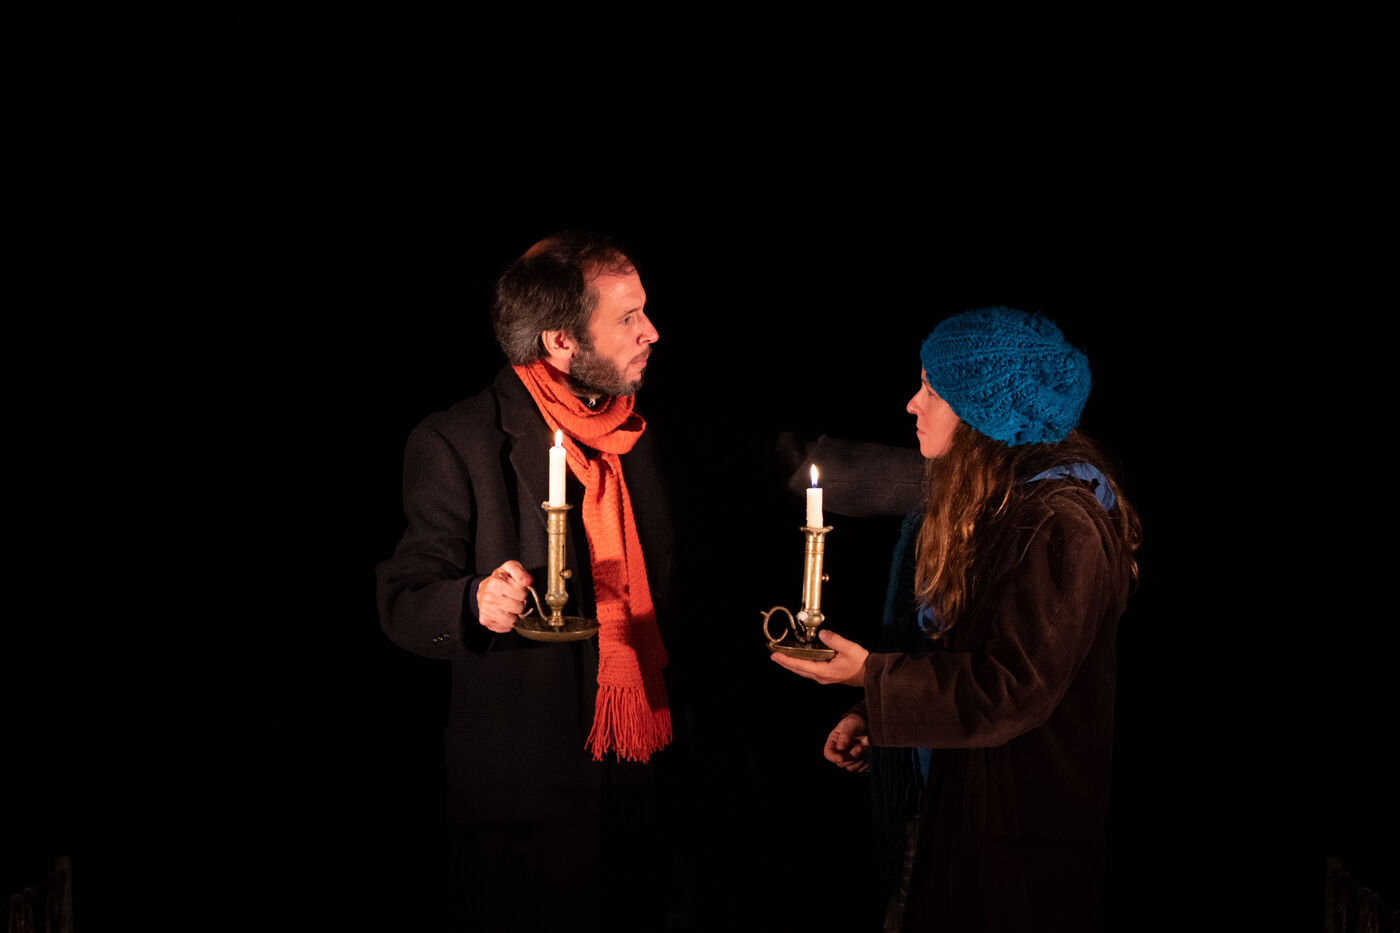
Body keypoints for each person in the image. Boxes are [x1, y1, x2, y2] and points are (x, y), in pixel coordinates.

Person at [771, 305, 1142, 932]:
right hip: (951, 810)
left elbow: (1011, 689)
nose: (912, 404)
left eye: (932, 390)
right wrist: (875, 711)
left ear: (981, 413)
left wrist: (872, 677)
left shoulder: (1060, 523)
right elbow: (958, 651)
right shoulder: (990, 504)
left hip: (1011, 847)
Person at [376, 230, 682, 932]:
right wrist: (473, 600)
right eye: (628, 318)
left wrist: (938, 472)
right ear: (561, 342)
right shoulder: (455, 441)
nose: (652, 332)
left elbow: (791, 459)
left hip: (646, 787)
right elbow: (403, 597)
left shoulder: (642, 433)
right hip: (525, 810)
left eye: (644, 311)